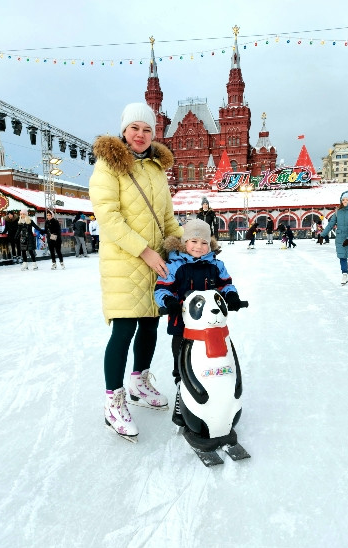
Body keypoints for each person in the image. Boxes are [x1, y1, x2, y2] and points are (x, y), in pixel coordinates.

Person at [89, 101, 183, 441]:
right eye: (134, 128)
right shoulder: (107, 167)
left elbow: (168, 219)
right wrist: (143, 251)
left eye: (147, 129)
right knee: (124, 328)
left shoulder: (156, 169)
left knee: (150, 324)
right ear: (124, 130)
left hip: (156, 262)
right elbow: (109, 219)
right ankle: (113, 401)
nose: (141, 135)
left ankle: (138, 383)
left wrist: (192, 245)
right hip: (126, 261)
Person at [154, 219, 242, 426]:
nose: (199, 247)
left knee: (214, 360)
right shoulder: (174, 265)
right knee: (183, 362)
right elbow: (162, 288)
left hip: (212, 325)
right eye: (193, 241)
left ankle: (219, 395)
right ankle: (181, 395)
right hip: (183, 326)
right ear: (184, 242)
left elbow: (226, 285)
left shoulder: (215, 265)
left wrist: (232, 297)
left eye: (204, 243)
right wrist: (169, 301)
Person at [320, 190, 348, 285]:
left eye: (347, 200)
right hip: (340, 237)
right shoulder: (338, 211)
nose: (345, 201)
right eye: (343, 200)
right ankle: (344, 274)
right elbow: (331, 224)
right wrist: (322, 234)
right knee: (342, 257)